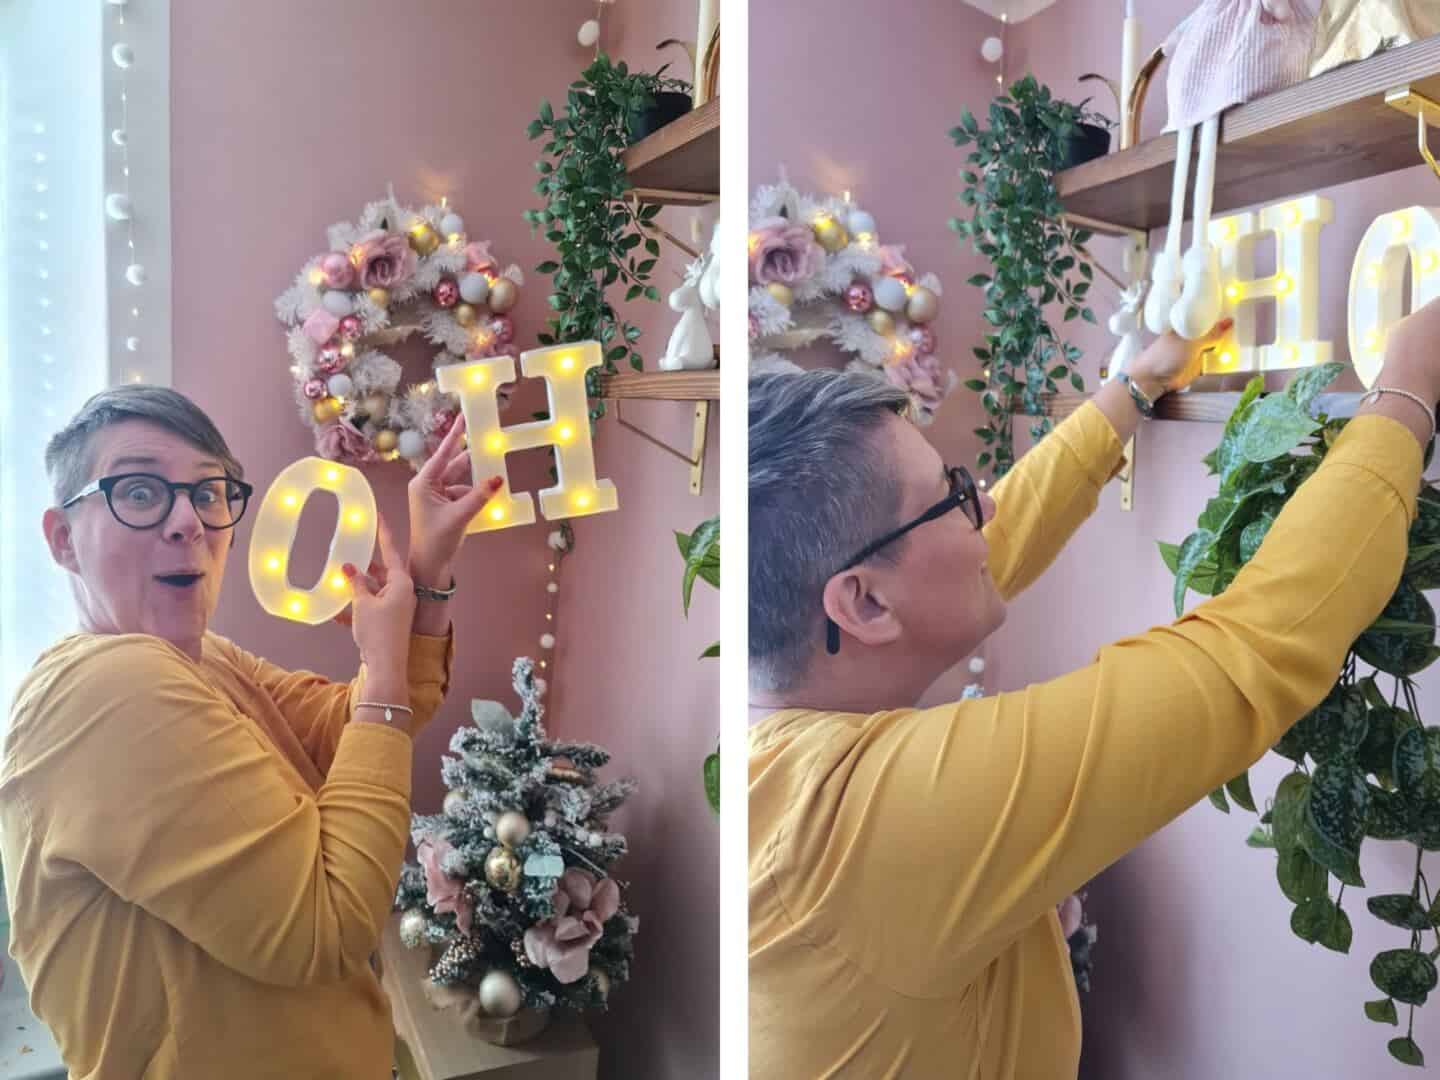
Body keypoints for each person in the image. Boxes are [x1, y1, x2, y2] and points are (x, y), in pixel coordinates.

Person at [748, 302, 1440, 1077]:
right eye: (950, 494)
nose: (982, 503)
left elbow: (988, 543)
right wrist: (1411, 377)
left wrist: (1137, 386)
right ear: (863, 603)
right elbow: (1258, 645)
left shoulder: (784, 728)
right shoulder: (856, 822)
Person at [0, 385, 503, 1079]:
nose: (189, 522)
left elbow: (350, 734)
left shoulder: (203, 660)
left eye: (209, 494)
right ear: (62, 540)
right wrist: (381, 664)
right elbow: (326, 922)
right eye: (141, 493)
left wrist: (425, 574)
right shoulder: (106, 689)